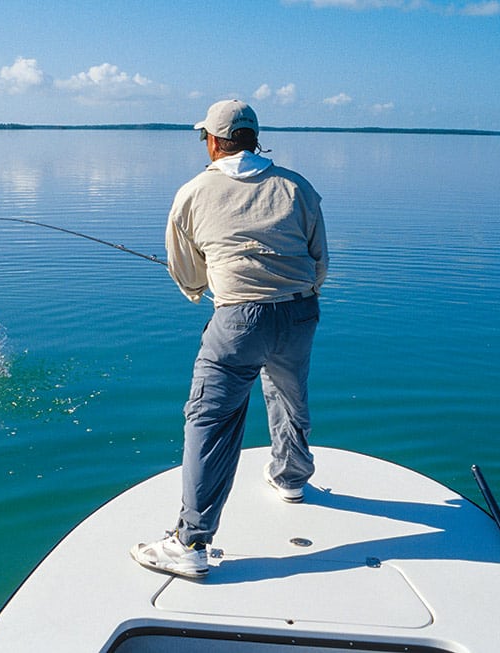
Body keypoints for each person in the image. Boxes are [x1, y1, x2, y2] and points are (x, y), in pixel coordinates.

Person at [130, 100, 328, 579]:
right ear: (254, 138)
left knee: (210, 420)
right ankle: (291, 478)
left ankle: (190, 542)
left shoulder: (195, 191)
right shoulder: (298, 186)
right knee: (288, 390)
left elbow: (187, 271)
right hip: (301, 311)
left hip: (237, 320)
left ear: (214, 142)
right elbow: (319, 260)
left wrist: (203, 290)